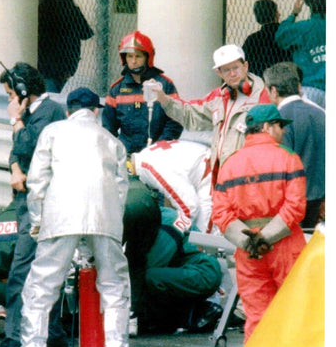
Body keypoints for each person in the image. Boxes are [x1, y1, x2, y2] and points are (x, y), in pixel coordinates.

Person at [3, 88, 135, 347]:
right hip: (105, 217)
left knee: (41, 284)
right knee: (114, 284)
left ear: (68, 111)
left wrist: (38, 220)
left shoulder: (53, 131)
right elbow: (121, 188)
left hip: (61, 215)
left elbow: (37, 180)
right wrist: (114, 223)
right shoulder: (112, 141)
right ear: (96, 111)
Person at [0, 63, 70, 347]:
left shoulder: (46, 114)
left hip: (41, 202)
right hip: (32, 198)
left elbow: (27, 146)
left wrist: (15, 121)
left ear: (23, 92)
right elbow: (16, 152)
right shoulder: (34, 114)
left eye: (11, 94)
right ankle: (54, 336)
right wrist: (14, 167)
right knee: (45, 268)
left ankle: (16, 336)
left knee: (23, 268)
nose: (9, 101)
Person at [212, 104, 306, 342]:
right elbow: (295, 207)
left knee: (256, 316)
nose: (283, 131)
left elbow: (221, 213)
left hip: (248, 251)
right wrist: (266, 237)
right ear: (266, 127)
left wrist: (249, 242)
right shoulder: (288, 157)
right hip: (284, 244)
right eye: (279, 125)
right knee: (294, 312)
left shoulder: (230, 164)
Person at [147, 44, 270, 187]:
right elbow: (190, 114)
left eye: (235, 68)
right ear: (219, 73)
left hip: (249, 183)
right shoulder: (217, 97)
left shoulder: (264, 97)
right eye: (226, 70)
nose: (232, 74)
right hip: (221, 181)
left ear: (246, 66)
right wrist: (163, 98)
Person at [136, 207, 224, 335]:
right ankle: (189, 313)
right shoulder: (165, 213)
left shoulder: (164, 226)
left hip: (202, 271)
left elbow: (151, 265)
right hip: (201, 269)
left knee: (149, 277)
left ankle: (184, 316)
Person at [263, 62, 325, 228]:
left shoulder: (278, 120)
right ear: (298, 86)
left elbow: (279, 167)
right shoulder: (321, 113)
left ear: (273, 90)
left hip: (291, 203)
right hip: (320, 200)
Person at [102, 31, 183, 155]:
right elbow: (108, 128)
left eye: (138, 56)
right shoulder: (116, 90)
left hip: (158, 154)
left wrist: (158, 148)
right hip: (127, 155)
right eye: (129, 56)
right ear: (124, 58)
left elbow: (176, 120)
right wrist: (118, 152)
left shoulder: (165, 85)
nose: (133, 61)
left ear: (147, 57)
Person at [130, 139, 213, 234]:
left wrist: (170, 237)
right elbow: (170, 196)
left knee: (201, 237)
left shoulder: (151, 169)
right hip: (201, 165)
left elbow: (189, 208)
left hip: (209, 174)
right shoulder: (144, 156)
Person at [37, 0, 94, 93]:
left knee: (48, 94)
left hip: (45, 63)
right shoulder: (71, 10)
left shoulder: (40, 10)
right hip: (66, 63)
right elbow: (86, 34)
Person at [275, 0, 326, 108]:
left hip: (309, 86)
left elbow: (281, 37)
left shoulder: (303, 27)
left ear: (308, 3)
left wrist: (294, 13)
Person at [241, 0, 291, 75]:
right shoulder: (286, 36)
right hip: (284, 79)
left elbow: (244, 62)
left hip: (260, 81)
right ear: (275, 15)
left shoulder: (252, 40)